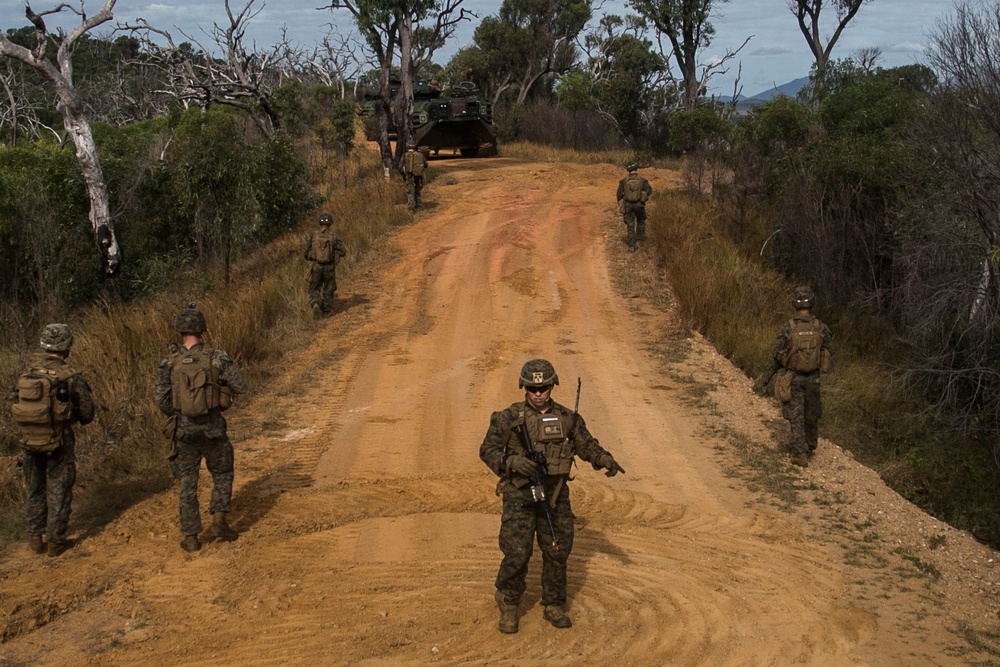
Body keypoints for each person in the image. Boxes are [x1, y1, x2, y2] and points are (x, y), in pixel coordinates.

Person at [479, 359, 626, 634]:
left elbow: (586, 445)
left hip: (555, 495)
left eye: (544, 387)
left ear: (552, 386)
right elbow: (486, 450)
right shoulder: (508, 418)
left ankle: (554, 604)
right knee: (517, 551)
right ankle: (509, 601)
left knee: (557, 551)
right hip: (519, 495)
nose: (538, 393)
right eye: (533, 388)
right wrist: (511, 462)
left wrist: (604, 458)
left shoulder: (567, 418)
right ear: (524, 387)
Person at [154, 302, 247, 552]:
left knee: (187, 480)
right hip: (213, 427)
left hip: (183, 430)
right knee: (222, 472)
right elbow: (240, 385)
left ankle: (191, 536)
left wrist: (181, 411)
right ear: (202, 329)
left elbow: (161, 400)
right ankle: (218, 520)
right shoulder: (216, 357)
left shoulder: (169, 362)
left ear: (179, 330)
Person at [9, 324, 94, 557]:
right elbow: (87, 414)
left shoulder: (27, 375)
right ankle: (56, 541)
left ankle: (35, 538)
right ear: (67, 347)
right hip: (59, 442)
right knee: (59, 489)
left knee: (35, 489)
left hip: (29, 442)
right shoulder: (71, 377)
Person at [771, 286, 833, 468]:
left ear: (794, 304)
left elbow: (777, 352)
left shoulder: (788, 327)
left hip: (795, 378)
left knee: (796, 415)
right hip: (814, 378)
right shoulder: (820, 327)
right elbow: (829, 349)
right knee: (812, 413)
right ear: (811, 303)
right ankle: (811, 445)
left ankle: (800, 453)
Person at [303, 212, 347, 319]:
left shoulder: (313, 236)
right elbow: (343, 252)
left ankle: (316, 303)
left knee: (314, 288)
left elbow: (305, 253)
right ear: (330, 223)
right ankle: (326, 312)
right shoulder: (334, 237)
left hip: (316, 266)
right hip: (329, 267)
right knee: (329, 288)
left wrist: (312, 257)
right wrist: (333, 254)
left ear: (320, 223)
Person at [615, 162, 653, 252]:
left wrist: (621, 203)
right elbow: (649, 190)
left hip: (628, 205)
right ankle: (640, 239)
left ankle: (632, 245)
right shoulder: (642, 180)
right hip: (639, 204)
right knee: (641, 220)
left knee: (630, 225)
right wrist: (643, 195)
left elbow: (618, 194)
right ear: (636, 169)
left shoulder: (624, 181)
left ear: (628, 171)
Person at [403, 142, 427, 211]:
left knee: (410, 191)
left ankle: (411, 207)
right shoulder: (420, 155)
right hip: (418, 175)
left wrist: (404, 175)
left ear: (407, 147)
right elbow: (426, 164)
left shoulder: (405, 155)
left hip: (410, 175)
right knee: (417, 189)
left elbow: (400, 166)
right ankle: (418, 204)